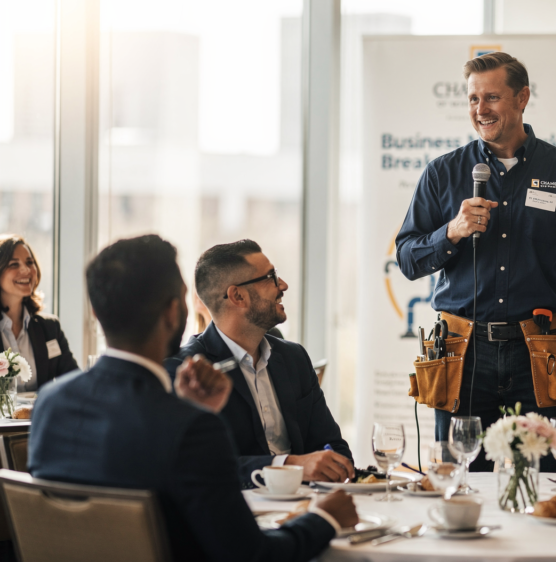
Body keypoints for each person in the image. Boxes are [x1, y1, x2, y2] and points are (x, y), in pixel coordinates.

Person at [29, 234, 358, 562]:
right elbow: (254, 556)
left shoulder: (50, 403)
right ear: (174, 313)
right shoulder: (191, 428)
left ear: (97, 313)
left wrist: (192, 411)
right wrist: (326, 519)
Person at [395, 52, 556, 473]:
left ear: (522, 98)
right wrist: (452, 232)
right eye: (473, 99)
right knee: (460, 482)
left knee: (546, 481)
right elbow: (407, 258)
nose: (481, 109)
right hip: (463, 353)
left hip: (542, 354)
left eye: (491, 97)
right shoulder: (443, 173)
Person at [166, 240, 354, 485]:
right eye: (271, 277)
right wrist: (289, 466)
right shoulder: (187, 373)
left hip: (308, 504)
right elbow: (199, 466)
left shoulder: (294, 358)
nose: (283, 285)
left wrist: (331, 465)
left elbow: (334, 447)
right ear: (238, 296)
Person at [0, 234, 78, 391]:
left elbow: (74, 381)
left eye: (30, 262)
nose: (26, 269)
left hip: (39, 415)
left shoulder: (50, 328)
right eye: (14, 264)